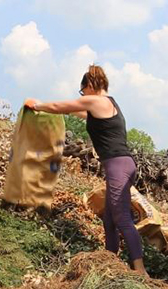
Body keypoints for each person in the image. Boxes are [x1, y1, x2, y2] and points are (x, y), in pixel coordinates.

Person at [24, 65, 147, 276]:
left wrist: (37, 105)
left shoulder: (96, 100)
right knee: (109, 218)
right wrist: (53, 110)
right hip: (121, 165)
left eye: (82, 92)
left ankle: (141, 271)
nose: (82, 96)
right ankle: (111, 262)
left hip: (118, 165)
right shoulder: (106, 104)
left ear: (90, 86)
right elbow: (71, 110)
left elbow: (58, 105)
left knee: (121, 217)